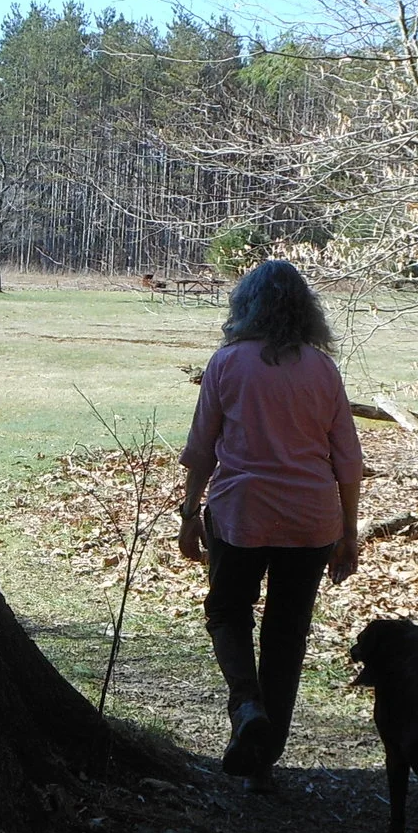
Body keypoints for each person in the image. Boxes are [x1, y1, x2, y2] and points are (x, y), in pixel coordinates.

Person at [177, 259, 363, 789]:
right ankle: (264, 761)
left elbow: (201, 449)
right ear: (305, 310)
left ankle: (247, 708)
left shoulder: (227, 363)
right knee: (287, 635)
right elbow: (347, 460)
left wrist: (190, 515)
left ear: (245, 306)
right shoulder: (323, 370)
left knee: (227, 610)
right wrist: (348, 532)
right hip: (311, 520)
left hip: (241, 514)